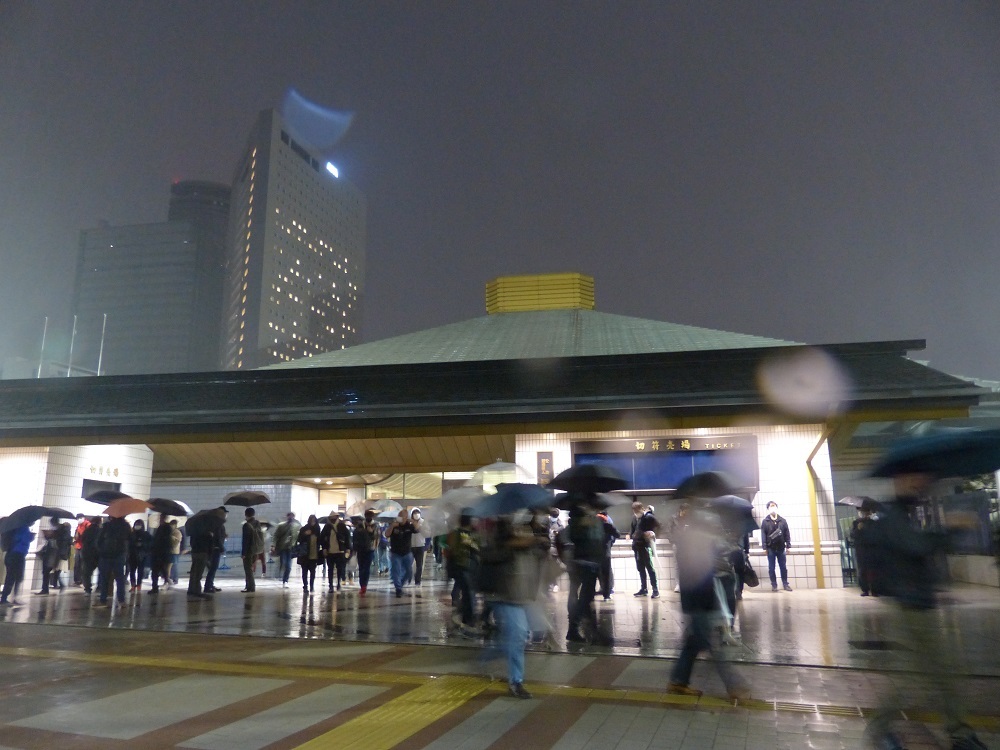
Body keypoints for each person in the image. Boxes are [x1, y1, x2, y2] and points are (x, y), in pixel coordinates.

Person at [864, 472, 988, 750]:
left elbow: (916, 554)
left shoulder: (903, 514)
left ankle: (958, 734)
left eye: (921, 479)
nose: (918, 484)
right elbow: (917, 546)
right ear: (898, 481)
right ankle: (885, 731)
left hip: (918, 603)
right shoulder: (894, 517)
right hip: (911, 608)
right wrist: (950, 527)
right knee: (926, 677)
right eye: (912, 479)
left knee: (938, 675)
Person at [667, 502, 750, 700]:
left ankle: (678, 681)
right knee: (712, 646)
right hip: (699, 600)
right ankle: (734, 685)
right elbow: (697, 573)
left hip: (699, 599)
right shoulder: (697, 541)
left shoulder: (694, 540)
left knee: (694, 643)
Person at [479, 512, 547, 699]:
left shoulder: (528, 538)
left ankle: (489, 656)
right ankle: (516, 682)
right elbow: (491, 554)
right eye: (517, 529)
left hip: (524, 597)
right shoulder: (497, 538)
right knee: (518, 634)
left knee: (519, 635)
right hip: (504, 597)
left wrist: (537, 545)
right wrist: (517, 544)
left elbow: (537, 560)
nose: (521, 532)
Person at [565, 497, 611, 645]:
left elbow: (599, 541)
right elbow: (578, 539)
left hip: (589, 563)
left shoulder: (594, 521)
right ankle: (574, 629)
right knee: (584, 599)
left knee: (586, 598)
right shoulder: (579, 523)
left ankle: (590, 630)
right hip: (584, 563)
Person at [446, 509, 479, 631]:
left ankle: (466, 615)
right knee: (468, 593)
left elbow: (479, 547)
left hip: (472, 567)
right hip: (462, 567)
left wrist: (472, 544)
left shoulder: (475, 533)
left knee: (469, 593)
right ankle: (468, 618)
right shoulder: (457, 533)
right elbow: (453, 550)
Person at [95, 515, 131, 608]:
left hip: (106, 555)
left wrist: (100, 550)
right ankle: (121, 601)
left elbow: (99, 540)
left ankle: (103, 600)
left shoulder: (106, 525)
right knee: (120, 579)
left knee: (104, 579)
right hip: (118, 555)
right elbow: (129, 540)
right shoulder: (125, 526)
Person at [760, 501, 791, 591]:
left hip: (781, 548)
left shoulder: (782, 521)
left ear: (777, 507)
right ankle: (774, 585)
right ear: (768, 508)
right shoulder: (765, 521)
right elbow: (763, 535)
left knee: (783, 567)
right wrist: (764, 547)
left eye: (774, 506)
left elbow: (787, 533)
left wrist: (788, 545)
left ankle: (785, 584)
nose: (772, 507)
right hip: (771, 548)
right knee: (771, 568)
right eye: (771, 506)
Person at [630, 501, 660, 598]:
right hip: (637, 546)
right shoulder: (635, 519)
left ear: (642, 508)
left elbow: (659, 526)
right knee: (641, 569)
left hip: (645, 546)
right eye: (634, 511)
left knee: (650, 568)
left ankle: (655, 590)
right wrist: (633, 536)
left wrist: (653, 534)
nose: (635, 513)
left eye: (637, 510)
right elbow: (633, 532)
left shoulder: (648, 517)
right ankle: (644, 589)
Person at [850, 498, 879, 596]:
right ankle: (865, 589)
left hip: (871, 549)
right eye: (860, 511)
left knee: (873, 570)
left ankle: (875, 589)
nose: (862, 513)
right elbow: (852, 535)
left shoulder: (873, 523)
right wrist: (858, 529)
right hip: (861, 550)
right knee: (862, 570)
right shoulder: (856, 523)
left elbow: (876, 535)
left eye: (864, 511)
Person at [0, 525, 35, 605]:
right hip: (16, 555)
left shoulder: (18, 527)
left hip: (13, 554)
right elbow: (19, 539)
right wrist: (30, 537)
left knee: (15, 577)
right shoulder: (22, 527)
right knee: (13, 577)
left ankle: (11, 597)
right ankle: (6, 598)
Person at [387, 509, 416, 597]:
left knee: (409, 572)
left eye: (402, 516)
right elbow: (386, 534)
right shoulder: (394, 525)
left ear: (406, 517)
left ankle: (401, 584)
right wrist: (392, 526)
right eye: (399, 516)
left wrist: (413, 521)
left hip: (407, 552)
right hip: (395, 553)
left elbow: (418, 529)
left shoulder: (409, 526)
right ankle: (398, 589)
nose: (400, 518)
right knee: (396, 571)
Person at [321, 513, 351, 591]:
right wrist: (324, 548)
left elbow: (347, 537)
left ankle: (338, 583)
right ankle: (330, 585)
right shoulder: (327, 527)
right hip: (329, 551)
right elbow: (322, 538)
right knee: (330, 569)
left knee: (339, 568)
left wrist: (348, 548)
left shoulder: (342, 526)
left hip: (340, 551)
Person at [352, 509, 379, 596]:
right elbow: (355, 536)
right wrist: (354, 549)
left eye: (370, 516)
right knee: (361, 568)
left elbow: (377, 536)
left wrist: (371, 532)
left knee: (366, 568)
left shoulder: (375, 525)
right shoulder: (360, 525)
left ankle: (364, 585)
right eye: (367, 516)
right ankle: (362, 584)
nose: (369, 518)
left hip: (370, 549)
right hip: (360, 549)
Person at [272, 512, 301, 587]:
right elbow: (275, 536)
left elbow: (298, 536)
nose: (290, 517)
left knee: (288, 565)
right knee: (283, 562)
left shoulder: (296, 526)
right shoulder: (281, 525)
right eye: (289, 516)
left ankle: (285, 579)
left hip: (291, 548)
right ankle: (281, 575)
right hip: (282, 547)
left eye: (292, 516)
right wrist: (273, 545)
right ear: (287, 517)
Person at [203, 506, 228, 593]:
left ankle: (210, 584)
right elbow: (217, 538)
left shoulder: (214, 524)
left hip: (213, 549)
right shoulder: (219, 525)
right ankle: (208, 587)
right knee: (213, 568)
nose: (226, 515)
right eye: (224, 513)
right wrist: (222, 548)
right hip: (216, 549)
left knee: (212, 568)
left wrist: (224, 536)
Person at [596, 510, 620, 600]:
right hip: (605, 553)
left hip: (595, 554)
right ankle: (607, 595)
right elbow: (617, 534)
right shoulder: (608, 526)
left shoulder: (593, 527)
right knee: (606, 573)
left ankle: (590, 594)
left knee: (595, 574)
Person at [241, 507, 265, 593]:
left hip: (249, 551)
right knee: (250, 568)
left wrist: (243, 553)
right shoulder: (257, 523)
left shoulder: (246, 525)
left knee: (248, 569)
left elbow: (245, 540)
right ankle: (250, 586)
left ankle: (250, 587)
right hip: (256, 550)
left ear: (246, 514)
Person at [35, 519, 61, 595]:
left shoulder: (57, 532)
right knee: (47, 572)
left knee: (46, 572)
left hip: (51, 555)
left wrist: (48, 537)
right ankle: (45, 589)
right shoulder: (58, 531)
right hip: (51, 555)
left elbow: (53, 545)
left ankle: (45, 589)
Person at [149, 515, 174, 594]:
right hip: (159, 553)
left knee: (159, 570)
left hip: (161, 553)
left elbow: (162, 541)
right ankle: (157, 585)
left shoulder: (165, 528)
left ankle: (165, 581)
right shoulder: (161, 528)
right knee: (157, 571)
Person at [297, 514, 322, 593]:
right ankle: (305, 585)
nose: (313, 523)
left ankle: (311, 585)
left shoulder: (317, 529)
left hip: (314, 554)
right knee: (304, 571)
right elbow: (299, 540)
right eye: (311, 521)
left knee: (312, 571)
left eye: (314, 521)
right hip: (305, 554)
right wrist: (305, 534)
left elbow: (320, 541)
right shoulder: (304, 529)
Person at [127, 519, 152, 592]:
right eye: (136, 524)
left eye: (139, 524)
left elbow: (150, 544)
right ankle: (133, 585)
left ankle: (139, 585)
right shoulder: (132, 534)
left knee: (140, 571)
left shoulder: (146, 534)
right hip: (133, 555)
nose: (137, 526)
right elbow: (129, 544)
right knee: (132, 571)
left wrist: (143, 545)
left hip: (142, 555)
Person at [80, 517, 102, 594]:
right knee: (101, 572)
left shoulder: (87, 530)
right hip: (98, 554)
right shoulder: (100, 531)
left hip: (87, 554)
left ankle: (87, 588)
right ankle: (99, 587)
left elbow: (82, 539)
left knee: (87, 572)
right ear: (99, 522)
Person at [410, 509, 428, 586]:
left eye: (417, 513)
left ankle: (417, 580)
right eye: (414, 513)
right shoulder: (410, 522)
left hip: (420, 545)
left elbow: (427, 533)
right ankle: (408, 578)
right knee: (408, 563)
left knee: (419, 565)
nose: (416, 514)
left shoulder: (423, 522)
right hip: (411, 546)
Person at [72, 513, 90, 585]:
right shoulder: (79, 525)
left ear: (83, 518)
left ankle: (83, 580)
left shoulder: (87, 525)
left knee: (83, 564)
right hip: (78, 546)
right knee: (77, 564)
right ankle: (77, 580)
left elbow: (88, 536)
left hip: (84, 547)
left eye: (79, 518)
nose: (78, 520)